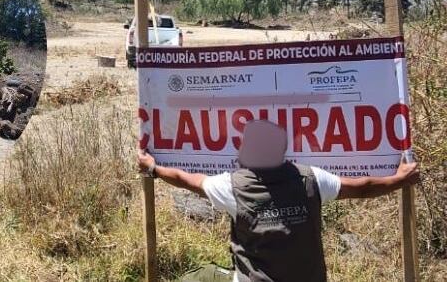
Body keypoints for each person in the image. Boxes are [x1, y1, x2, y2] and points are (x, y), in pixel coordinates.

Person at [136, 119, 421, 282]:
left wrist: (153, 168)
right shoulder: (311, 179)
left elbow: (190, 180)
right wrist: (399, 179)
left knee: (199, 277)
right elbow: (361, 187)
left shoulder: (234, 187)